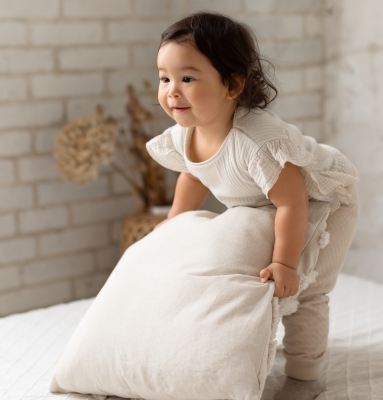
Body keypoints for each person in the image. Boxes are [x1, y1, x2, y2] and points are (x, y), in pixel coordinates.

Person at [145, 11, 360, 400]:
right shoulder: (185, 134)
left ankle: (306, 377)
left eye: (188, 78)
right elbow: (194, 174)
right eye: (164, 78)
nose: (172, 90)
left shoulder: (257, 142)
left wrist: (285, 263)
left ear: (232, 85)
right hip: (273, 206)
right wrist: (175, 219)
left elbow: (292, 202)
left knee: (304, 291)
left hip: (324, 197)